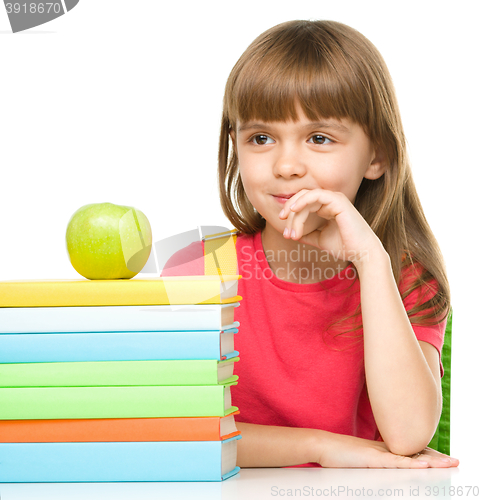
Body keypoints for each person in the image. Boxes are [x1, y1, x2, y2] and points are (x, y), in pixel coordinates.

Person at [162, 20, 459, 469]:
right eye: (261, 138)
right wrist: (321, 447)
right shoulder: (196, 269)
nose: (285, 165)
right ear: (235, 146)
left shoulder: (403, 277)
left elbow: (409, 433)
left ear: (376, 156)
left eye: (319, 138)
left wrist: (371, 262)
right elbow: (177, 428)